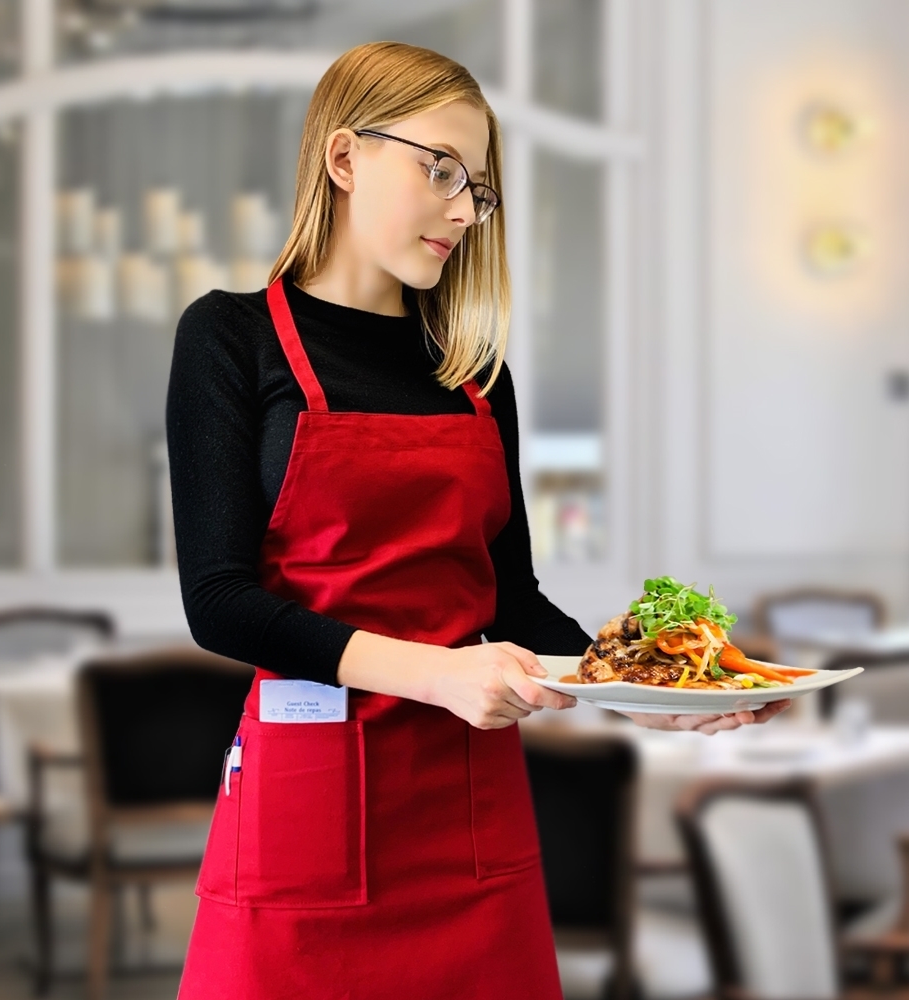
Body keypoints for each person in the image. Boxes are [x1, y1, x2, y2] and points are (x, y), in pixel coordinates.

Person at [166, 40, 789, 1000]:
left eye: (480, 189)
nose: (464, 209)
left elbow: (515, 599)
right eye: (442, 170)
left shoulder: (473, 373)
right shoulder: (229, 337)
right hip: (309, 792)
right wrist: (438, 672)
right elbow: (220, 602)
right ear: (344, 159)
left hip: (466, 814)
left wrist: (662, 694)